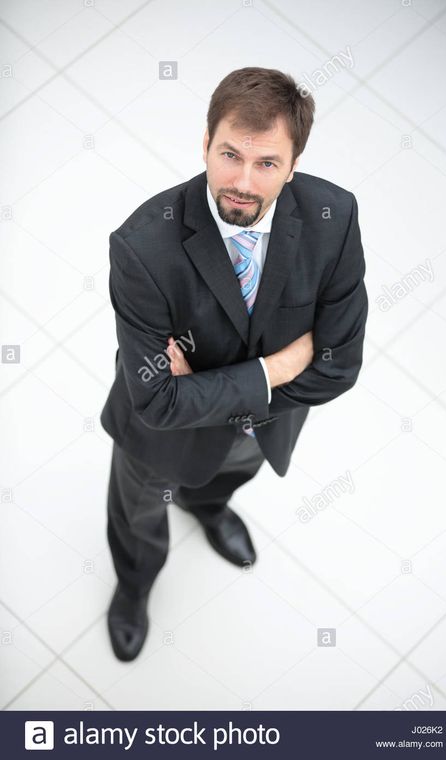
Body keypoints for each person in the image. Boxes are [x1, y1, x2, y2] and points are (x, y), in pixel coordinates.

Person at [100, 67, 368, 661]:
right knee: (139, 514)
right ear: (205, 143)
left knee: (228, 473)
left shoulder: (334, 219)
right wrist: (276, 369)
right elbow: (156, 401)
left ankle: (208, 505)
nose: (242, 182)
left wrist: (215, 388)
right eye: (229, 155)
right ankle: (135, 583)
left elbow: (338, 365)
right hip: (160, 440)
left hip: (265, 424)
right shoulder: (142, 248)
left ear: (293, 162)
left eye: (267, 163)